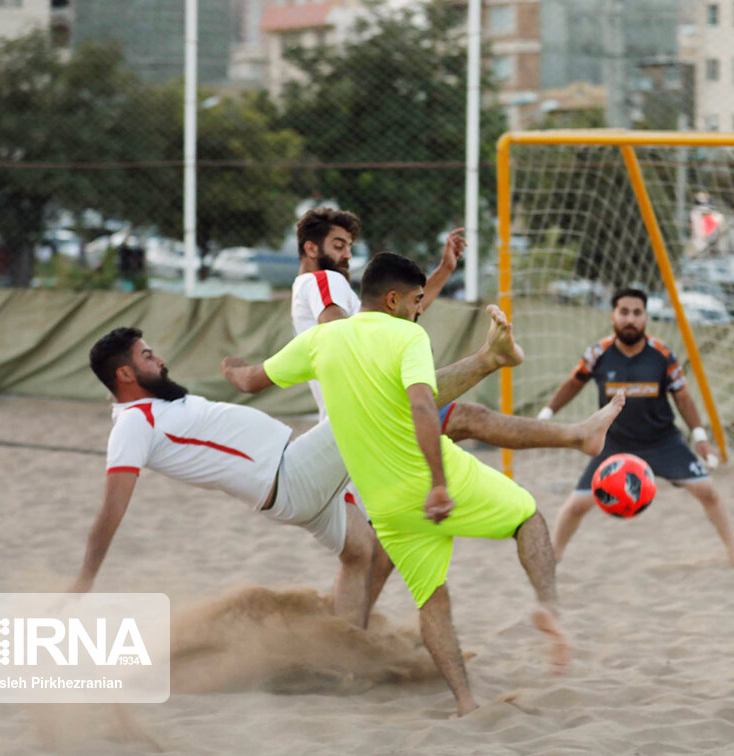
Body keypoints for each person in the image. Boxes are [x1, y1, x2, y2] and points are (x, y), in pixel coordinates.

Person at [73, 310, 623, 637]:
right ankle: (520, 388)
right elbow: (109, 511)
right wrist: (84, 581)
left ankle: (341, 648)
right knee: (398, 403)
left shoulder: (152, 410)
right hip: (291, 475)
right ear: (125, 374)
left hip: (294, 484)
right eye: (147, 357)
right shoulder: (132, 424)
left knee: (369, 553)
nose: (158, 359)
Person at [225, 253, 589, 716]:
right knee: (527, 517)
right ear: (394, 299)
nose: (421, 309)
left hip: (386, 508)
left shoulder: (320, 340)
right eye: (418, 300)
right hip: (429, 479)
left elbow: (251, 380)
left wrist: (232, 369)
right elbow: (423, 406)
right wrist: (439, 483)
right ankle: (549, 606)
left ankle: (465, 701)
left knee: (433, 599)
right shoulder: (408, 335)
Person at [541, 287, 734, 568]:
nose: (630, 319)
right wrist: (545, 415)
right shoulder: (597, 353)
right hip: (613, 445)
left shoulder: (663, 355)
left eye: (637, 313)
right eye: (624, 312)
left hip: (662, 442)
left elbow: (683, 397)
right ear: (613, 316)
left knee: (708, 491)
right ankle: (553, 557)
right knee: (576, 506)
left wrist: (700, 436)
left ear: (646, 317)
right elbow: (572, 384)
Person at [289, 208, 463, 416]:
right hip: (366, 413)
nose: (348, 255)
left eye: (349, 246)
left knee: (465, 417)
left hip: (354, 415)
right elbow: (340, 336)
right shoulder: (322, 279)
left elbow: (407, 306)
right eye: (339, 246)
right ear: (311, 249)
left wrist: (445, 268)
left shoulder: (310, 288)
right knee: (469, 417)